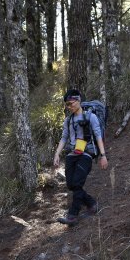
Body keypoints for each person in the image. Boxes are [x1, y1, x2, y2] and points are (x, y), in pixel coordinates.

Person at [53, 89, 108, 226]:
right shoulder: (68, 120)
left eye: (71, 103)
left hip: (86, 155)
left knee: (77, 183)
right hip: (71, 155)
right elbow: (64, 137)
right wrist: (57, 153)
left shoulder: (91, 117)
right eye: (67, 105)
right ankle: (91, 203)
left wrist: (103, 155)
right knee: (71, 184)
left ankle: (72, 216)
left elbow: (98, 136)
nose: (69, 107)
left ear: (78, 101)